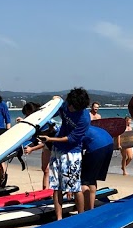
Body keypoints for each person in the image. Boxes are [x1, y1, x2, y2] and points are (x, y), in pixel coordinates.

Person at [37, 88, 93, 219]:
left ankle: (81, 217)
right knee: (56, 186)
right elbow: (50, 113)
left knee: (74, 187)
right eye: (69, 104)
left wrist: (50, 139)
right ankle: (59, 218)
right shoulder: (66, 104)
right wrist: (53, 102)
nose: (69, 107)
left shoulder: (84, 118)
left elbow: (72, 139)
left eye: (72, 106)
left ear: (79, 107)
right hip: (57, 150)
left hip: (72, 153)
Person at [81, 114, 115, 212]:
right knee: (92, 179)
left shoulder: (76, 131)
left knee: (83, 181)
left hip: (97, 145)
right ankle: (91, 209)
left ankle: (85, 210)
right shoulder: (90, 127)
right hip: (109, 142)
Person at [20, 101, 56, 189]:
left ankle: (59, 191)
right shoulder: (36, 121)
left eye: (27, 115)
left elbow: (43, 141)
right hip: (47, 144)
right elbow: (35, 139)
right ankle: (45, 192)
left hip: (57, 144)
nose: (26, 117)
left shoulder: (46, 122)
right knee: (45, 169)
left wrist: (31, 149)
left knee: (56, 170)